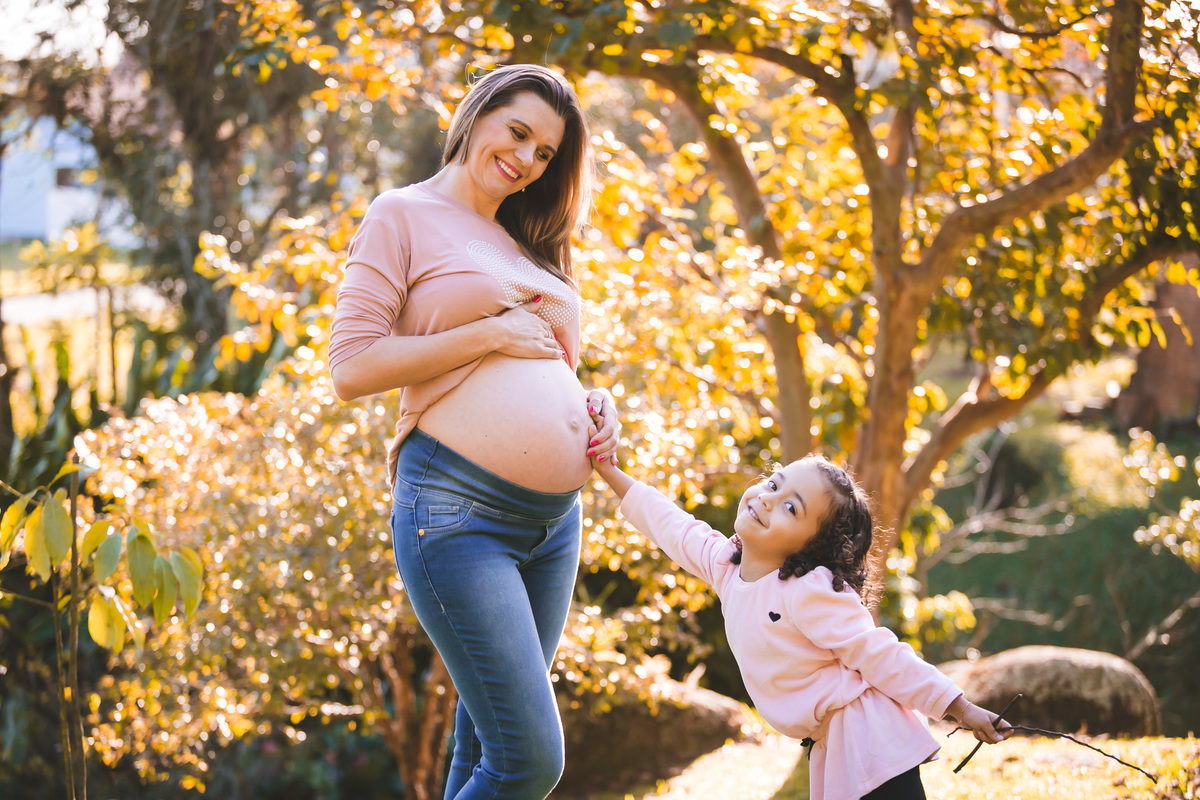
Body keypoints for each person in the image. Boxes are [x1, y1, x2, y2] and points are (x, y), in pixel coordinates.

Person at [328, 64, 618, 800]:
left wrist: (595, 404)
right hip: (458, 512)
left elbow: (546, 359)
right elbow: (351, 367)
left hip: (554, 525)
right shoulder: (401, 214)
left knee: (487, 746)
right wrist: (488, 334)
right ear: (477, 114)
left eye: (545, 153)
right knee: (530, 760)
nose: (525, 159)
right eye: (517, 132)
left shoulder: (526, 242)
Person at [590, 451, 1012, 800]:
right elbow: (672, 525)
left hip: (868, 735)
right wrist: (607, 469)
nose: (768, 500)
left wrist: (959, 707)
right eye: (774, 484)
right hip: (832, 741)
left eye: (791, 507)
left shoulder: (808, 590)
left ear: (812, 546)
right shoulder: (725, 566)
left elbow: (879, 653)